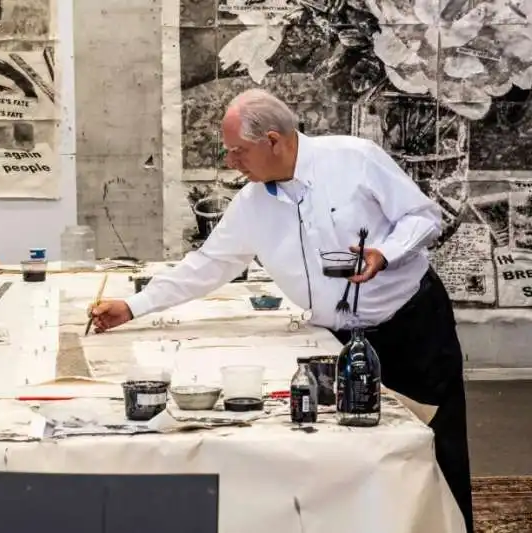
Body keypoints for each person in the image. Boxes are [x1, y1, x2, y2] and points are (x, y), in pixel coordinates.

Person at [90, 88, 474, 532]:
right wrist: (132, 307)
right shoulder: (253, 204)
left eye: (238, 152)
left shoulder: (355, 159)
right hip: (337, 341)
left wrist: (384, 253)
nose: (231, 162)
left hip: (410, 325)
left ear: (273, 140)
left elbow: (423, 217)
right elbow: (208, 264)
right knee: (357, 450)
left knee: (434, 438)